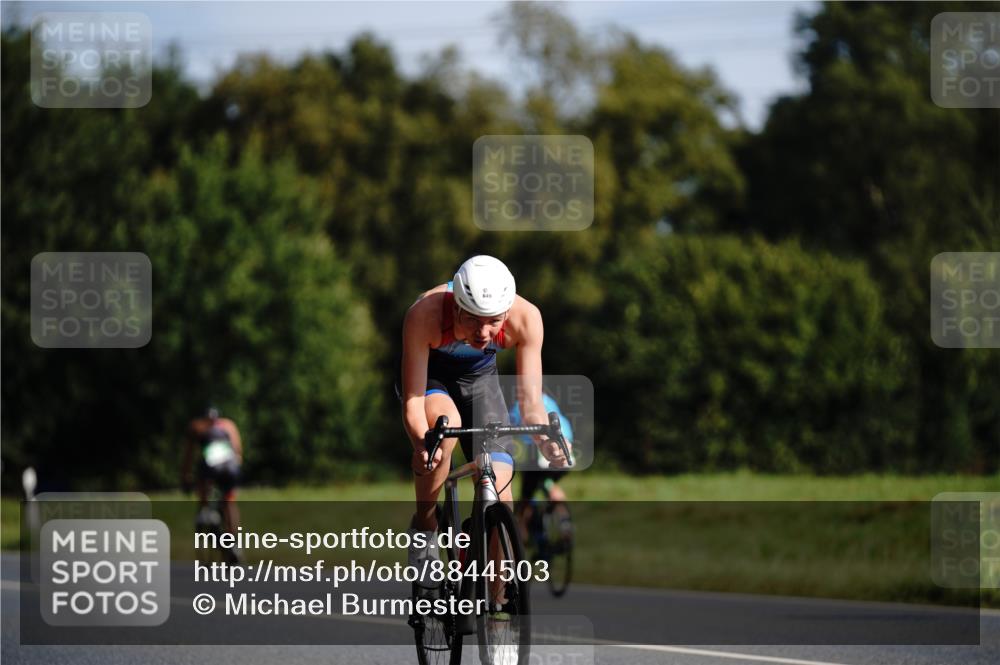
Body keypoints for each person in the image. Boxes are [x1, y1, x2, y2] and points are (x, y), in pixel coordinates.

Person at [399, 255, 569, 591]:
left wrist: (546, 442)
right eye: (473, 320)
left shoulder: (526, 318)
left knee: (500, 485)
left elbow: (530, 403)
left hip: (479, 379)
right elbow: (414, 402)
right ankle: (426, 530)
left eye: (492, 322)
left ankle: (497, 609)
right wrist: (422, 443)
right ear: (457, 306)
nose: (483, 332)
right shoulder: (425, 314)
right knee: (443, 431)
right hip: (432, 378)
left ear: (506, 312)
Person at [509, 391, 572, 540]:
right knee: (548, 483)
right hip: (566, 448)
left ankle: (520, 536)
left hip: (541, 452)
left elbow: (508, 428)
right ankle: (564, 522)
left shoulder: (523, 403)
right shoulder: (549, 400)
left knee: (526, 498)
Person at [181, 406, 243, 535]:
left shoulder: (197, 426)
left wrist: (185, 477)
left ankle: (206, 511)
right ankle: (235, 542)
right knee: (229, 501)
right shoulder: (229, 425)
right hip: (231, 467)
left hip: (210, 469)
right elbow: (238, 452)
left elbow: (189, 456)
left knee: (203, 481)